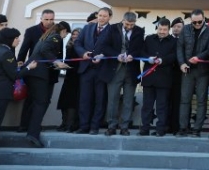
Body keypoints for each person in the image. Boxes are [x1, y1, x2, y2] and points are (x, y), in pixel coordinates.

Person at [0, 28, 37, 167]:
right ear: (9, 39)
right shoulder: (7, 53)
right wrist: (29, 67)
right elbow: (14, 75)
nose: (18, 40)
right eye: (16, 38)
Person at [22, 22, 71, 147]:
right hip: (39, 75)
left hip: (33, 73)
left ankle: (30, 129)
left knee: (36, 102)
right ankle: (33, 134)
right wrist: (57, 62)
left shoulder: (47, 36)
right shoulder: (55, 37)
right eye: (66, 34)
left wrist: (54, 64)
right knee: (41, 103)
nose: (65, 37)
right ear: (64, 30)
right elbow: (45, 50)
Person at [96, 12, 144, 136]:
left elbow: (140, 48)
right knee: (112, 99)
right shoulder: (112, 28)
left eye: (132, 25)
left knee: (128, 100)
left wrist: (132, 55)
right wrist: (116, 56)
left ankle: (125, 127)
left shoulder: (139, 31)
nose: (129, 27)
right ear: (123, 21)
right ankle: (111, 126)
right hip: (114, 69)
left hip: (131, 70)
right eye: (127, 24)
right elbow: (104, 46)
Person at [16, 9, 55, 133]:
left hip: (50, 71)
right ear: (41, 19)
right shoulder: (32, 31)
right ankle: (24, 125)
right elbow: (24, 49)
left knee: (44, 100)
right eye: (46, 19)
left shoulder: (56, 31)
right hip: (34, 71)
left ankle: (36, 124)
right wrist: (20, 63)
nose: (49, 22)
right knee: (31, 99)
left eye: (51, 19)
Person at [74, 7, 112, 135]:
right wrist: (83, 53)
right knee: (84, 99)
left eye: (105, 16)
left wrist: (102, 56)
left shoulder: (113, 31)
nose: (101, 18)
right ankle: (83, 126)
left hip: (102, 69)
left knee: (99, 100)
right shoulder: (87, 28)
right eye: (100, 15)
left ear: (109, 17)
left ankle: (94, 127)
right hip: (86, 69)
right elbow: (77, 43)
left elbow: (115, 48)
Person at [176, 9, 209, 137]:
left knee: (201, 101)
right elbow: (179, 47)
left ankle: (197, 129)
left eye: (199, 22)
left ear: (204, 19)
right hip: (187, 70)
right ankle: (183, 128)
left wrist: (199, 57)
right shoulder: (185, 29)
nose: (197, 24)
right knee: (185, 100)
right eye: (194, 22)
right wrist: (182, 63)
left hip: (203, 71)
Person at [139, 18, 177, 137]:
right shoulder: (149, 39)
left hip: (164, 79)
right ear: (157, 28)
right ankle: (144, 128)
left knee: (162, 106)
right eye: (160, 29)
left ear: (169, 29)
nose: (162, 31)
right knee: (147, 106)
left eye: (165, 30)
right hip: (149, 78)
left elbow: (175, 56)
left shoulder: (174, 41)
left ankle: (160, 130)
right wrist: (148, 58)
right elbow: (142, 52)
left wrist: (163, 60)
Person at [57, 27, 81, 132]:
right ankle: (64, 122)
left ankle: (70, 124)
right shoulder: (69, 46)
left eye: (77, 34)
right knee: (64, 100)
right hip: (69, 75)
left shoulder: (81, 47)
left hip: (78, 76)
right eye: (74, 34)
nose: (75, 36)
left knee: (72, 101)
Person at [167, 16, 184, 134]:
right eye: (175, 26)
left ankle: (176, 127)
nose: (176, 29)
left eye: (179, 27)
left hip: (180, 75)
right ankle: (165, 126)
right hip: (166, 75)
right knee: (165, 102)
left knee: (177, 101)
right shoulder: (167, 39)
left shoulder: (184, 41)